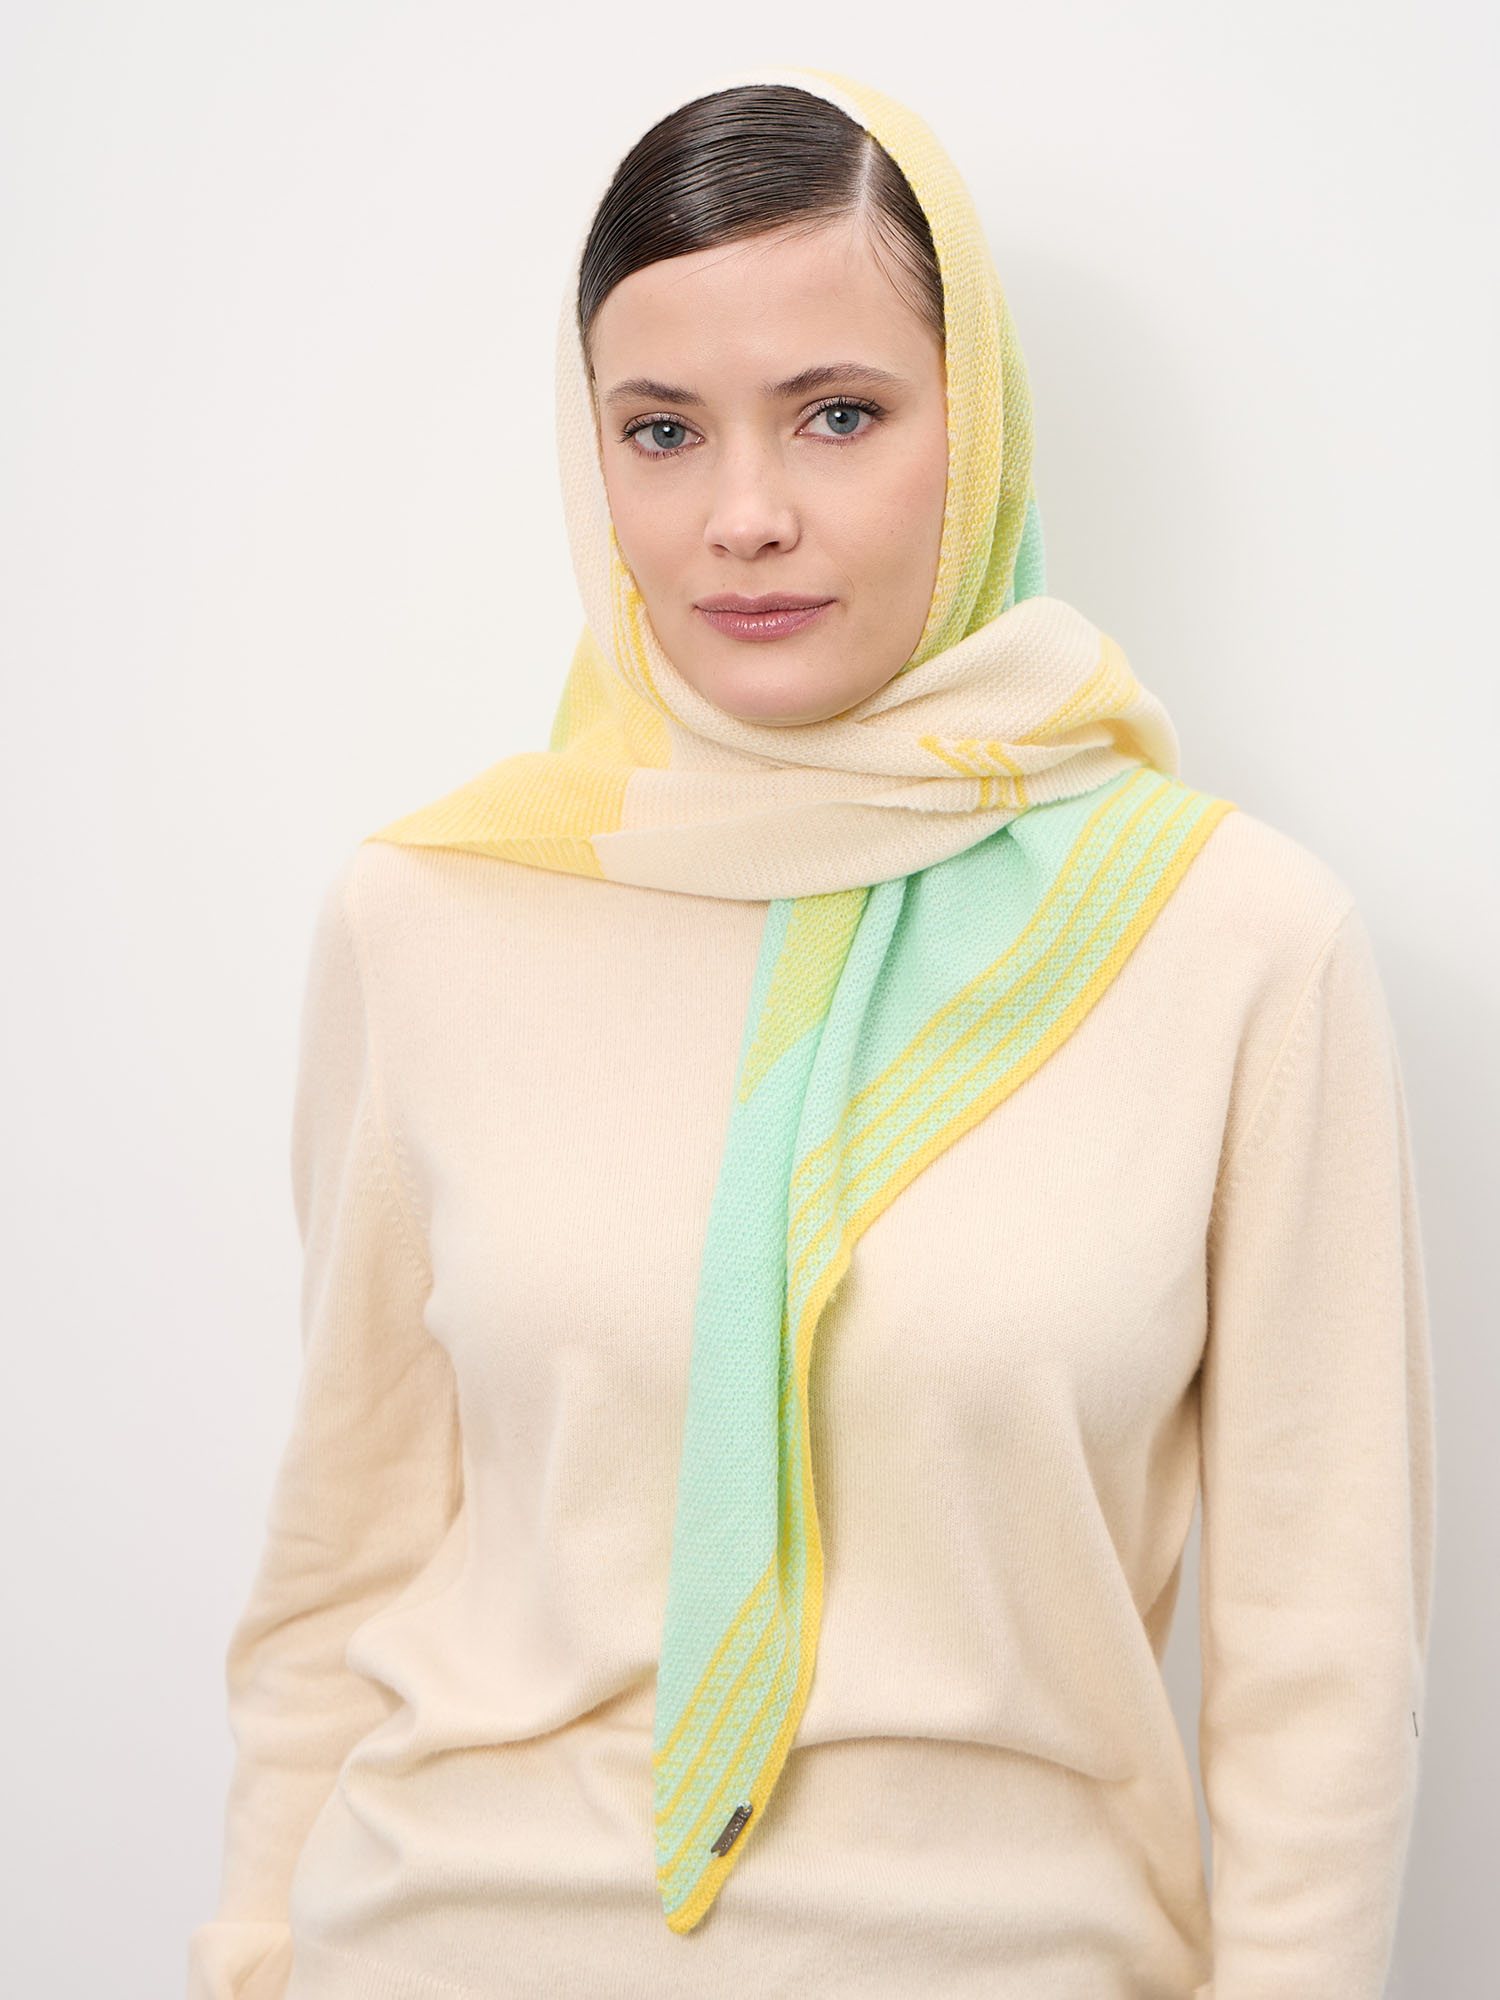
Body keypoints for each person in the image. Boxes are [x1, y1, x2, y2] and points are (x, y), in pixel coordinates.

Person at [189, 67, 1435, 2000]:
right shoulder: (429, 912)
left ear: (976, 423)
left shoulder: (1234, 944)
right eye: (661, 432)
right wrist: (250, 1952)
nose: (745, 517)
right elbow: (343, 1552)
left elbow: (1319, 1669)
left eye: (838, 414)